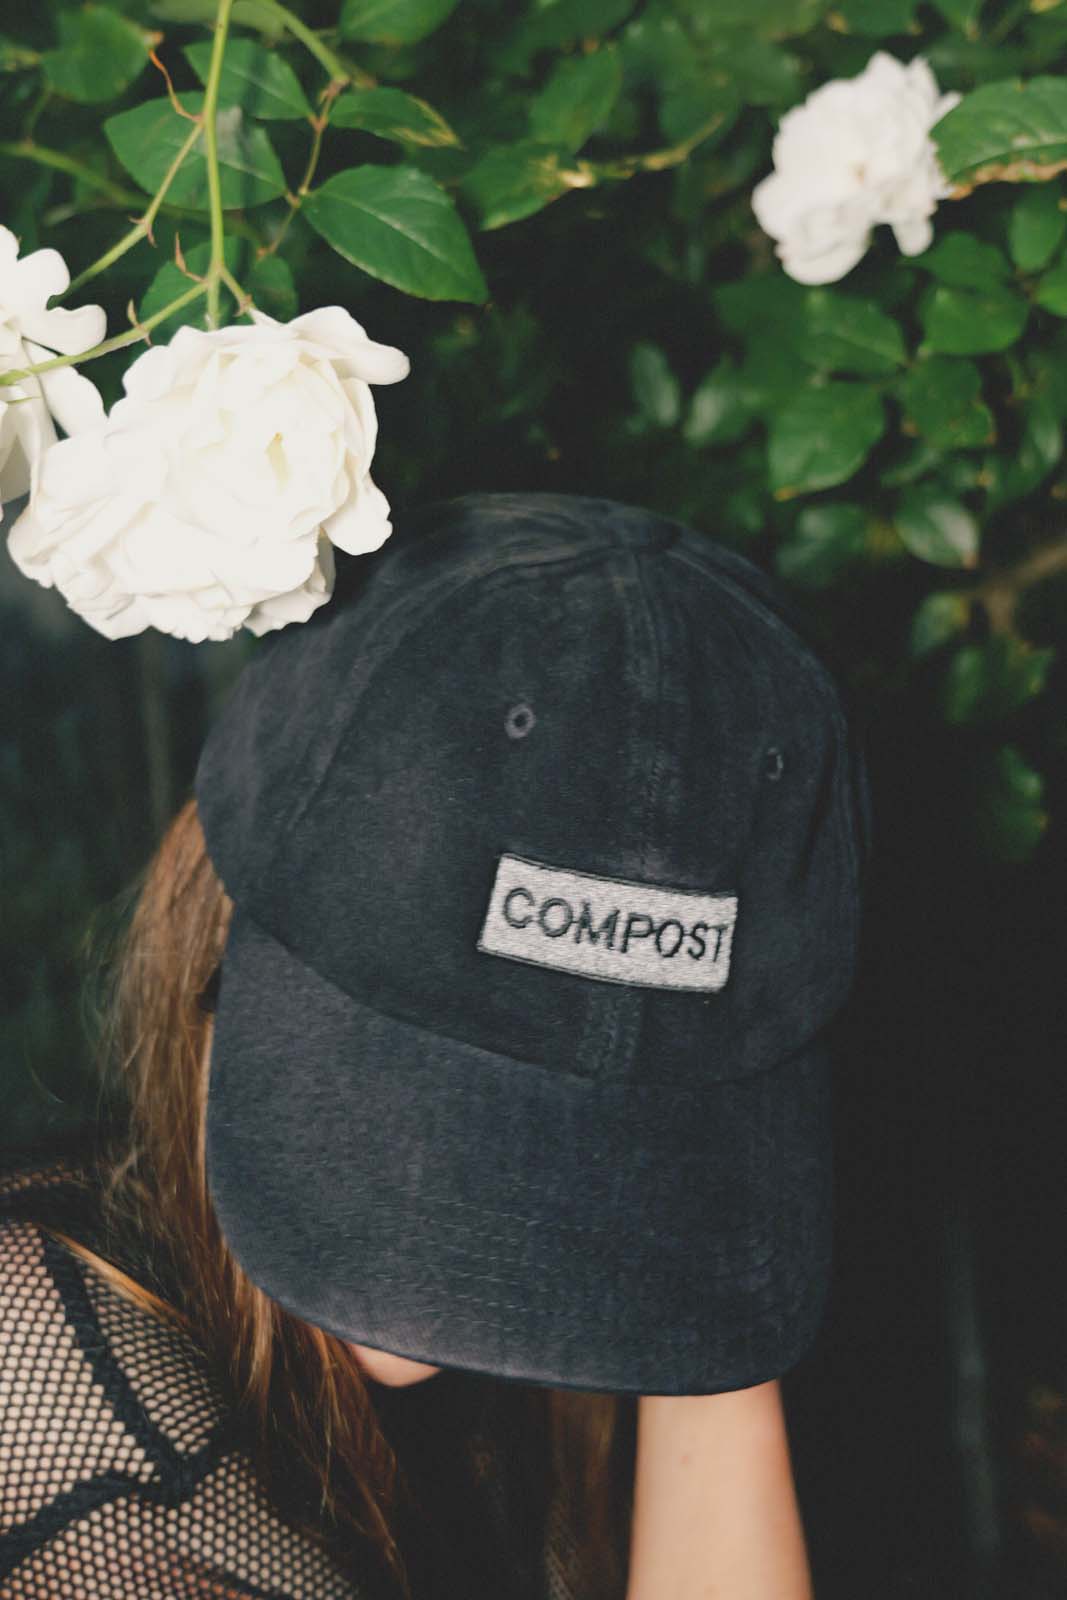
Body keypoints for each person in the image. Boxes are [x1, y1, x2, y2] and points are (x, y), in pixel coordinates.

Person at [1, 489, 869, 1598]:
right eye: (430, 1104)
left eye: (597, 1137)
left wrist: (697, 1271)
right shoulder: (43, 1365)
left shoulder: (558, 1397)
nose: (500, 1223)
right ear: (224, 934)